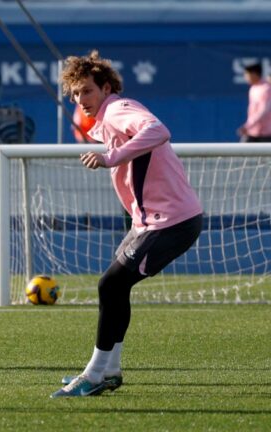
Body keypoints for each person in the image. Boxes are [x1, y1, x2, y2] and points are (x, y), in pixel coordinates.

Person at [52, 50, 203, 397]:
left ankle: (93, 374)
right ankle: (111, 369)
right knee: (115, 288)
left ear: (106, 88)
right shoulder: (107, 119)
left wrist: (112, 157)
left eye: (87, 91)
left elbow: (158, 129)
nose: (81, 100)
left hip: (171, 222)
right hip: (151, 222)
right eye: (75, 94)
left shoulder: (119, 109)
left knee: (110, 286)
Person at [237, 63, 271, 142]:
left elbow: (264, 111)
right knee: (240, 153)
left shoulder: (267, 89)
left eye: (247, 74)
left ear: (254, 74)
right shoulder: (253, 89)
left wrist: (248, 125)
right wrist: (249, 127)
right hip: (252, 132)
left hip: (266, 134)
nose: (245, 77)